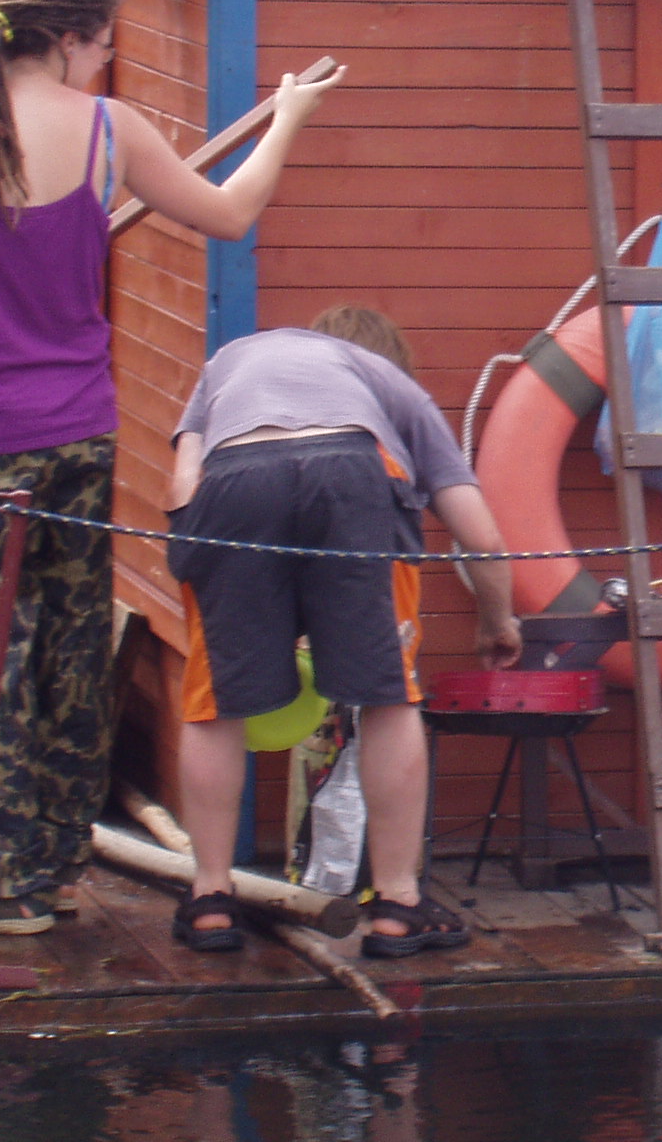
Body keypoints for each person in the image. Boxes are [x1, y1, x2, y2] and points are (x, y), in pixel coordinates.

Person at [0, 0, 342, 936]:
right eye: (104, 45)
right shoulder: (111, 131)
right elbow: (231, 213)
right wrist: (288, 117)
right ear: (71, 39)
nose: (105, 62)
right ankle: (55, 869)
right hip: (77, 430)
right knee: (70, 644)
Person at [162, 305, 522, 958]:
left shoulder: (228, 363)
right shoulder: (393, 388)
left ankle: (210, 901)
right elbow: (483, 537)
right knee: (387, 696)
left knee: (213, 700)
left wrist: (198, 562)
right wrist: (497, 621)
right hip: (355, 474)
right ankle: (397, 906)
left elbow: (186, 479)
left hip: (234, 477)